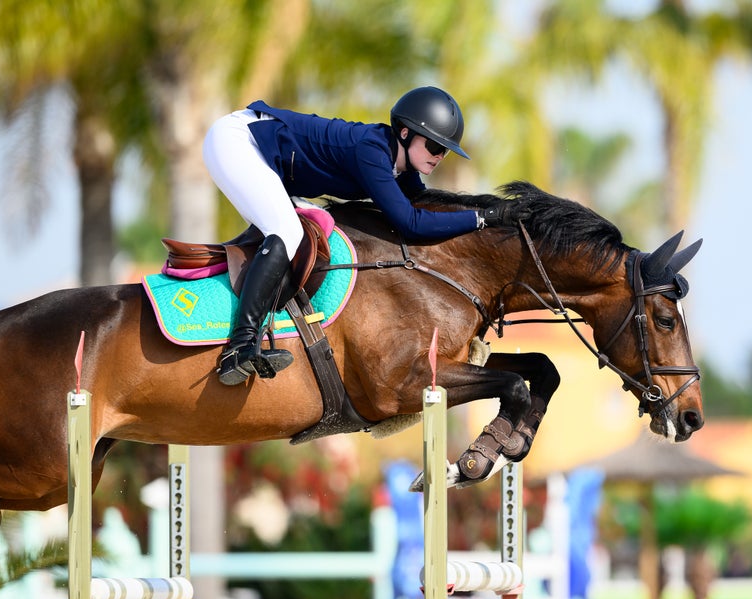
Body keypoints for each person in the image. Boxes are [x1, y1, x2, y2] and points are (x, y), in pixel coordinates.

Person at [203, 86, 521, 386]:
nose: (438, 157)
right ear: (406, 133)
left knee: (310, 225)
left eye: (445, 152)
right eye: (435, 146)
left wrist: (489, 216)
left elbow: (425, 209)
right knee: (287, 231)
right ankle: (239, 347)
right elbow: (410, 223)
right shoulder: (372, 150)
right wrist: (481, 218)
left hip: (261, 155)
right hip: (238, 142)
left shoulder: (402, 167)